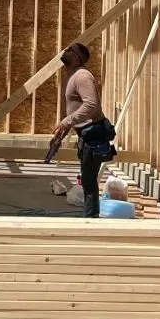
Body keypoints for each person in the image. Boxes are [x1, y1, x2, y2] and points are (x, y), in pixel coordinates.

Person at [53, 42, 116, 218]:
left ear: (77, 57)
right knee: (88, 180)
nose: (65, 51)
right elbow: (77, 108)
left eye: (69, 49)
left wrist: (67, 122)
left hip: (94, 133)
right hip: (87, 133)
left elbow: (91, 105)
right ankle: (91, 216)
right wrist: (64, 130)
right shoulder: (73, 75)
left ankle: (91, 218)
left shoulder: (82, 77)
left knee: (89, 181)